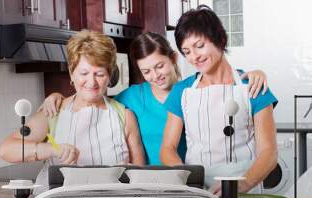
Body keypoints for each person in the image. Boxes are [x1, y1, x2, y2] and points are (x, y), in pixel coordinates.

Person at [40, 32, 268, 165]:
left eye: (160, 66)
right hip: (149, 186)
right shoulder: (132, 97)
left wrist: (254, 75)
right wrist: (58, 96)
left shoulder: (193, 92)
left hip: (197, 181)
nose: (155, 76)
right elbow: (94, 97)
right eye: (146, 71)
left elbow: (223, 85)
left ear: (174, 59)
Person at [0, 30, 145, 193]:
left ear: (110, 75)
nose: (91, 82)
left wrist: (131, 173)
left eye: (99, 74)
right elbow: (7, 150)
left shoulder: (124, 116)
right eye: (84, 73)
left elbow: (140, 178)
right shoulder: (54, 111)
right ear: (71, 73)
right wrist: (50, 149)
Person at [160, 5, 278, 195]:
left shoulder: (253, 87)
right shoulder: (182, 92)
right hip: (198, 190)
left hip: (247, 189)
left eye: (199, 46)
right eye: (186, 51)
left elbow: (269, 152)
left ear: (220, 40)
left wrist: (241, 186)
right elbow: (167, 148)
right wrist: (189, 182)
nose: (194, 57)